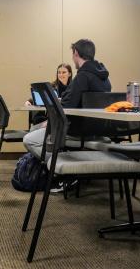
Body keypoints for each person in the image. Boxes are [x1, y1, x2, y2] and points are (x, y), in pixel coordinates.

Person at [23, 39, 111, 192]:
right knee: (40, 132)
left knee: (29, 140)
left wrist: (51, 123)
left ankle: (65, 174)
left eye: (73, 54)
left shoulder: (83, 76)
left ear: (76, 53)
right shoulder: (105, 78)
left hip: (78, 132)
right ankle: (67, 170)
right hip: (98, 130)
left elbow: (66, 106)